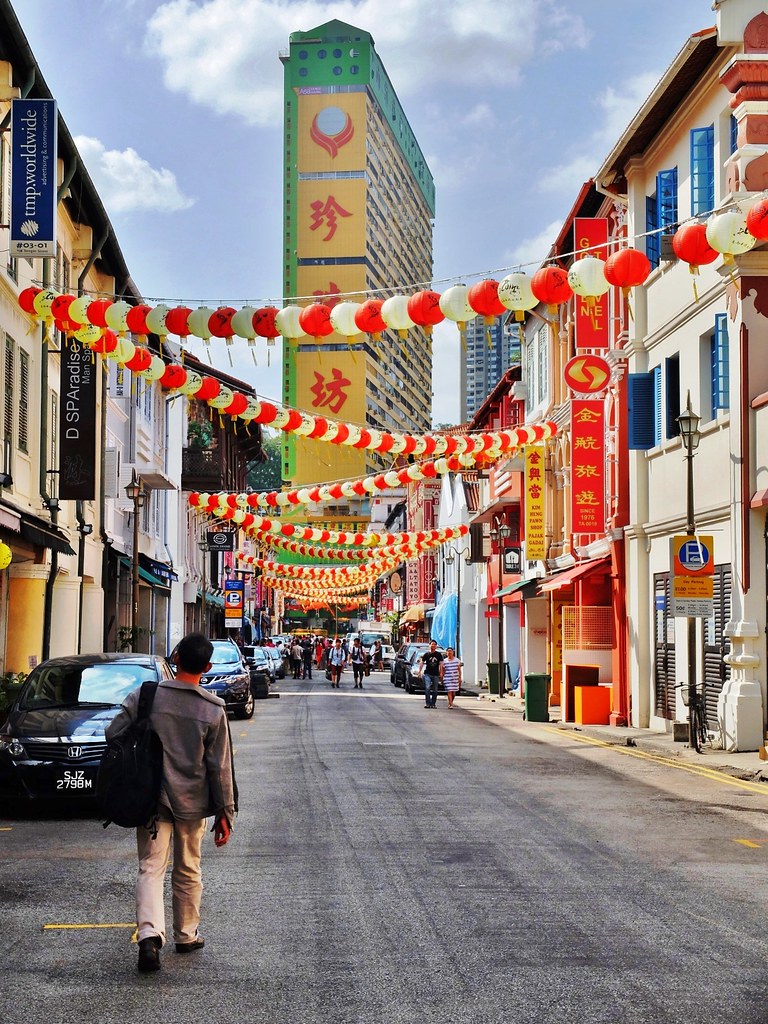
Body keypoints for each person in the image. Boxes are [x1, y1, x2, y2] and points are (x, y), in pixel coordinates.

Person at [105, 632, 236, 974]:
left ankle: (149, 936)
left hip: (150, 799)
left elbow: (113, 734)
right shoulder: (211, 709)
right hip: (192, 803)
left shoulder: (146, 696)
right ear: (207, 667)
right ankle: (186, 933)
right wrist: (226, 813)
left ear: (175, 658)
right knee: (188, 867)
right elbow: (220, 768)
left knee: (151, 867)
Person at [417, 640, 444, 709]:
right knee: (427, 688)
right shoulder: (426, 654)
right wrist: (419, 671)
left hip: (435, 674)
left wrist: (441, 673)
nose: (433, 646)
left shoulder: (439, 655)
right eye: (432, 644)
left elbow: (441, 664)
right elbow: (422, 663)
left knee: (435, 689)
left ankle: (433, 703)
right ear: (429, 645)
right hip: (427, 673)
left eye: (435, 644)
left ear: (436, 646)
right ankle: (427, 703)